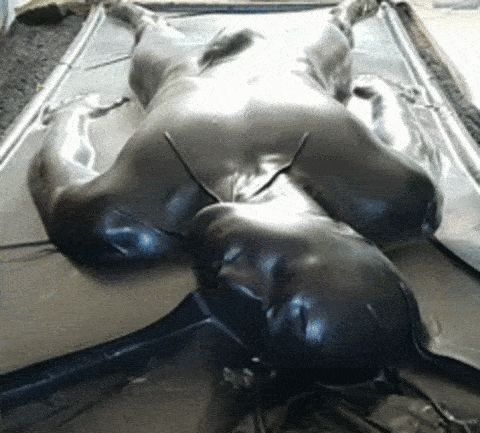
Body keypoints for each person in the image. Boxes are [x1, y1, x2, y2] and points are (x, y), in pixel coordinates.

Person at [28, 0, 440, 374]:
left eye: (252, 303)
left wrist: (72, 115)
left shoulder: (121, 221)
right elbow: (406, 139)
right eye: (278, 276)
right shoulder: (395, 198)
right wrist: (386, 94)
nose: (232, 276)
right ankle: (350, 8)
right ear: (351, 236)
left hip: (188, 71)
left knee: (151, 36)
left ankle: (137, 15)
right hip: (293, 64)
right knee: (332, 28)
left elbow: (56, 170)